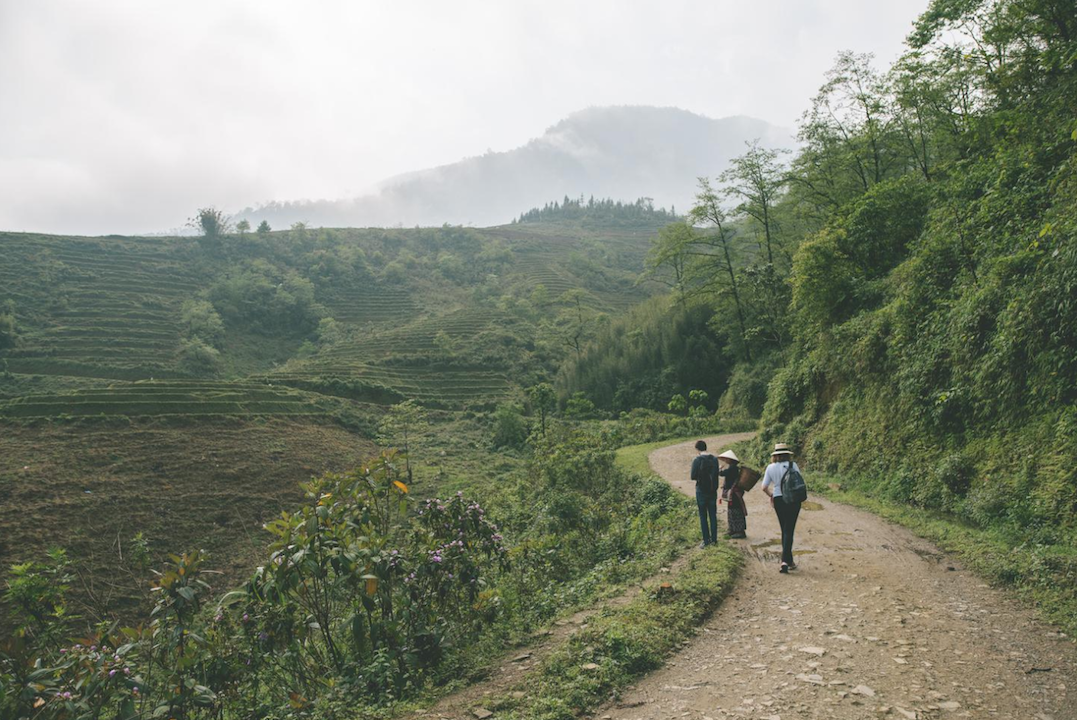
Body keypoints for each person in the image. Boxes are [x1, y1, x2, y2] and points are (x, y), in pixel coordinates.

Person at [761, 443, 803, 573]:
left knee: (784, 528)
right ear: (787, 454)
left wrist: (772, 496)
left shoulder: (770, 468)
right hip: (793, 499)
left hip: (778, 498)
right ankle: (785, 560)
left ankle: (788, 560)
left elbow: (764, 487)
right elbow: (799, 481)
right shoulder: (793, 465)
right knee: (789, 529)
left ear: (775, 455)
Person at [690, 440, 719, 547]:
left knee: (703, 516)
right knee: (713, 516)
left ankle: (706, 540)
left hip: (701, 491)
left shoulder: (697, 460)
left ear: (697, 449)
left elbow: (693, 476)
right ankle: (714, 539)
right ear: (706, 447)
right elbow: (716, 474)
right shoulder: (714, 459)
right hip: (712, 491)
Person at [717, 450, 746, 539]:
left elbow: (721, 474)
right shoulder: (733, 467)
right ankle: (733, 529)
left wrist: (719, 469)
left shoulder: (732, 468)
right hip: (734, 493)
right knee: (732, 510)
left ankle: (739, 531)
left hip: (734, 493)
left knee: (734, 510)